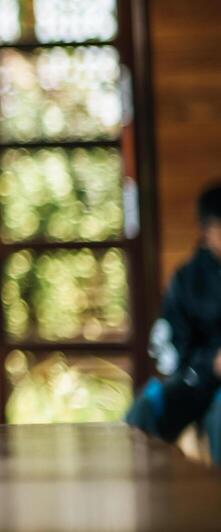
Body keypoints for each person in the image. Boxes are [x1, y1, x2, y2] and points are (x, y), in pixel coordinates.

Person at [125, 183, 221, 463]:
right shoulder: (187, 280)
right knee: (145, 411)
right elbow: (167, 347)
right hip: (195, 379)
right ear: (207, 231)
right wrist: (211, 363)